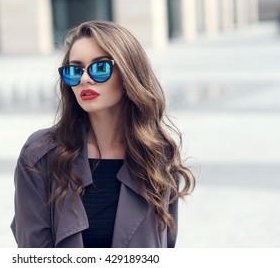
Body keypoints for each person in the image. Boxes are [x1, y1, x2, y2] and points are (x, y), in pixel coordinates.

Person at [11, 20, 195, 248]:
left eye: (99, 68)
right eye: (74, 70)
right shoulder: (40, 154)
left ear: (128, 73)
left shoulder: (157, 155)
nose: (85, 79)